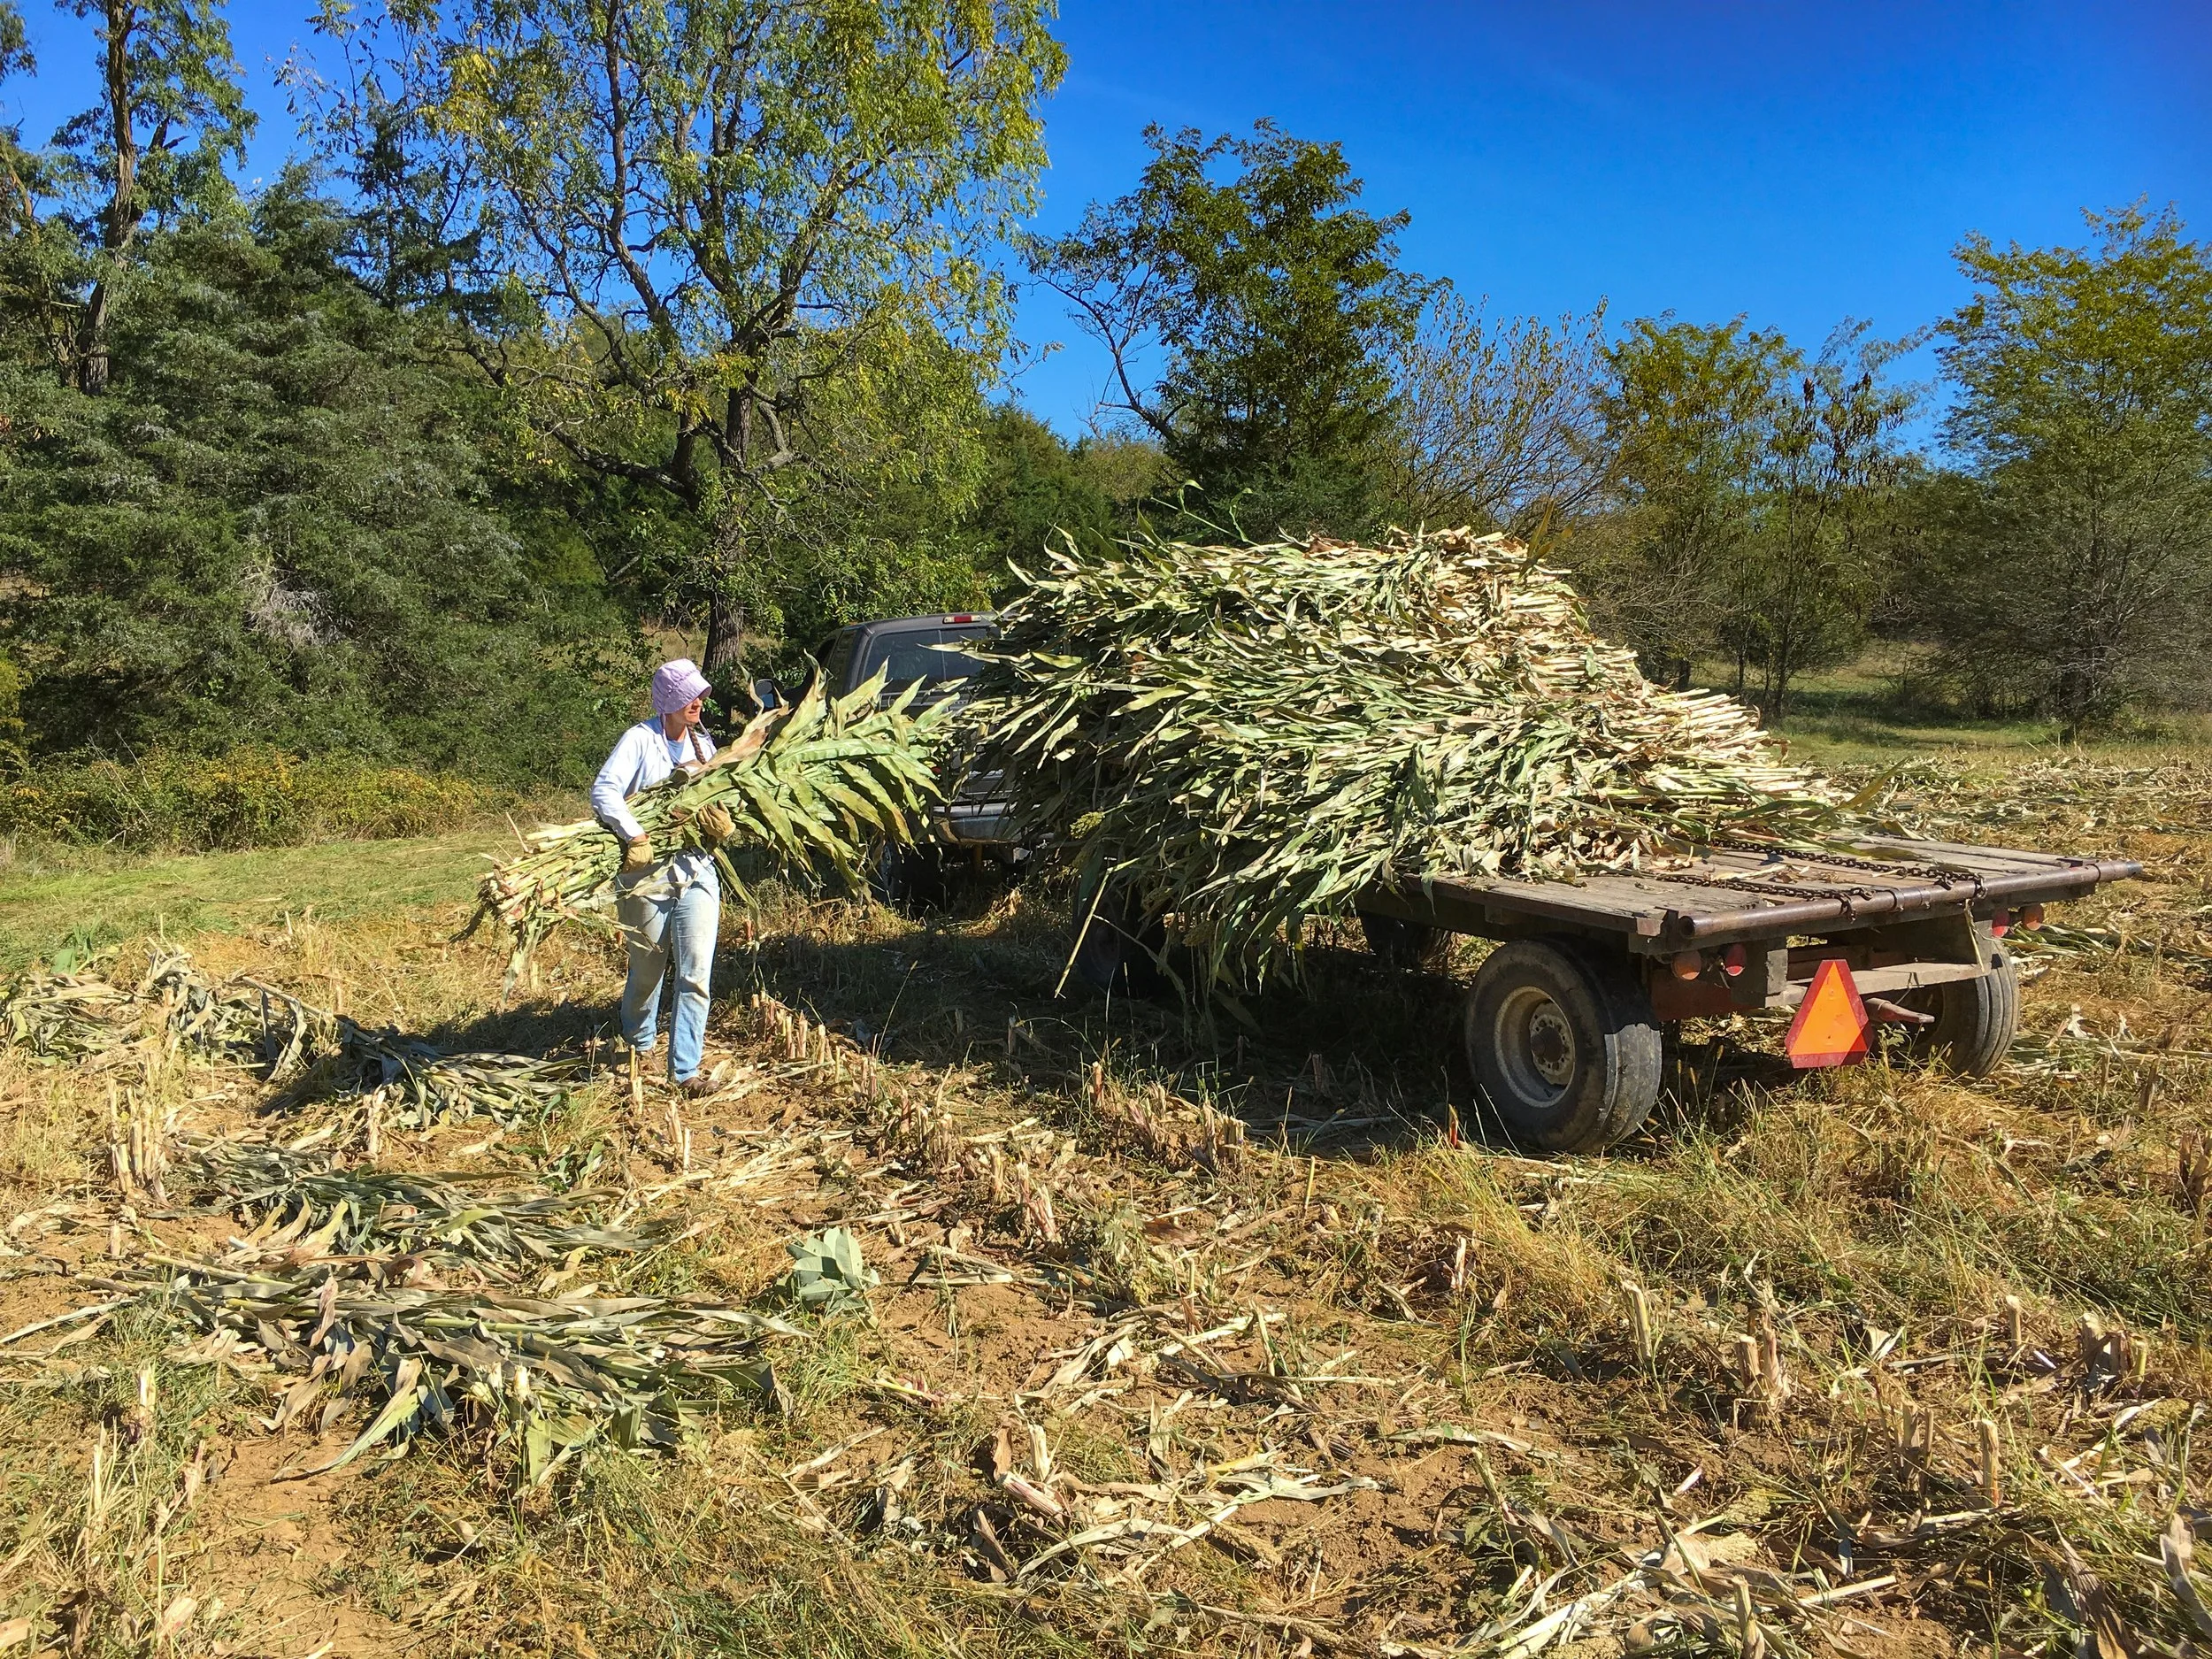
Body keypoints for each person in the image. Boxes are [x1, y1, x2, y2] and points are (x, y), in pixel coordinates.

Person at [592, 659, 733, 1095]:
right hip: (648, 876)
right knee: (647, 972)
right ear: (669, 701)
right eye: (690, 696)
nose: (699, 703)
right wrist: (634, 834)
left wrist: (721, 821)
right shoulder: (640, 739)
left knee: (696, 974)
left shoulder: (703, 744)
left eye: (700, 695)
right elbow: (604, 790)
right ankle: (638, 1044)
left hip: (696, 871)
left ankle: (685, 1071)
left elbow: (718, 795)